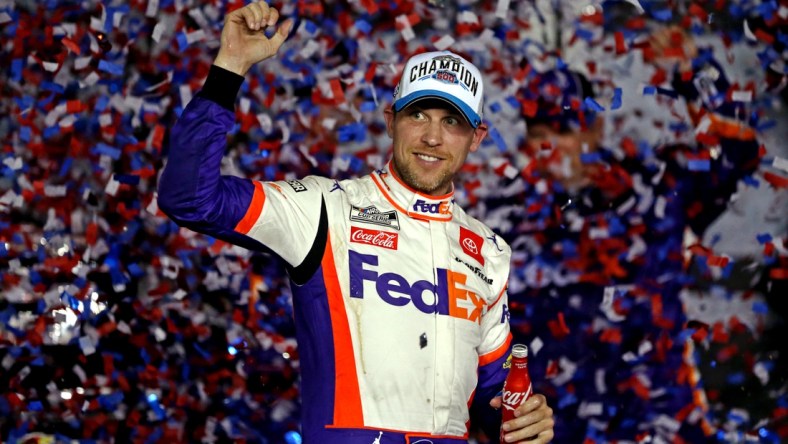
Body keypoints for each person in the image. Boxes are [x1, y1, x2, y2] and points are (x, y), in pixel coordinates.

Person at [157, 2, 555, 443]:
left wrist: (524, 421)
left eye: (452, 122)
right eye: (417, 114)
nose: (431, 137)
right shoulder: (323, 208)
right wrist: (230, 66)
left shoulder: (489, 249)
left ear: (476, 138)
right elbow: (189, 197)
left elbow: (491, 396)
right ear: (391, 120)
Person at [490, 26, 761, 442]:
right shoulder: (505, 223)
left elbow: (737, 149)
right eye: (538, 135)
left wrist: (691, 73)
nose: (550, 148)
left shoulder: (655, 190)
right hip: (560, 427)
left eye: (563, 131)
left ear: (593, 131)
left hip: (661, 419)